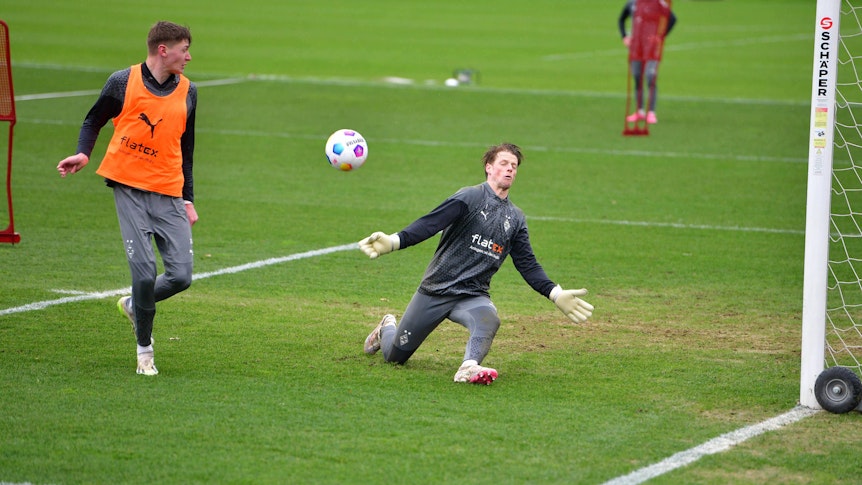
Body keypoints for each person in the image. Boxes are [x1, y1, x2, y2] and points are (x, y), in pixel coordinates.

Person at [357, 143, 594, 385]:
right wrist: (395, 241)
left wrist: (555, 293)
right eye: (504, 163)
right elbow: (431, 223)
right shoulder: (470, 197)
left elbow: (527, 264)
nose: (510, 169)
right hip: (436, 290)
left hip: (472, 295)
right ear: (489, 167)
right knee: (395, 357)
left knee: (489, 320)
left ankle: (468, 367)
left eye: (514, 166)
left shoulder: (516, 218)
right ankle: (387, 326)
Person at [57, 21, 198, 376]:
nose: (189, 56)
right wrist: (83, 153)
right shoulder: (122, 81)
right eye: (184, 49)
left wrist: (188, 198)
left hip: (169, 190)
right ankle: (145, 352)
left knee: (181, 276)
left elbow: (186, 148)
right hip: (129, 186)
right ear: (163, 50)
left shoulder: (189, 92)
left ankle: (135, 304)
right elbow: (93, 120)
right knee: (145, 270)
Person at [619, 0, 676, 124]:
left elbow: (672, 19)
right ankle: (639, 111)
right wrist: (625, 36)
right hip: (636, 46)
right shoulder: (632, 3)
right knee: (637, 77)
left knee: (651, 76)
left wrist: (660, 36)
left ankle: (651, 112)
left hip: (651, 46)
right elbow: (621, 19)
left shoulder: (658, 3)